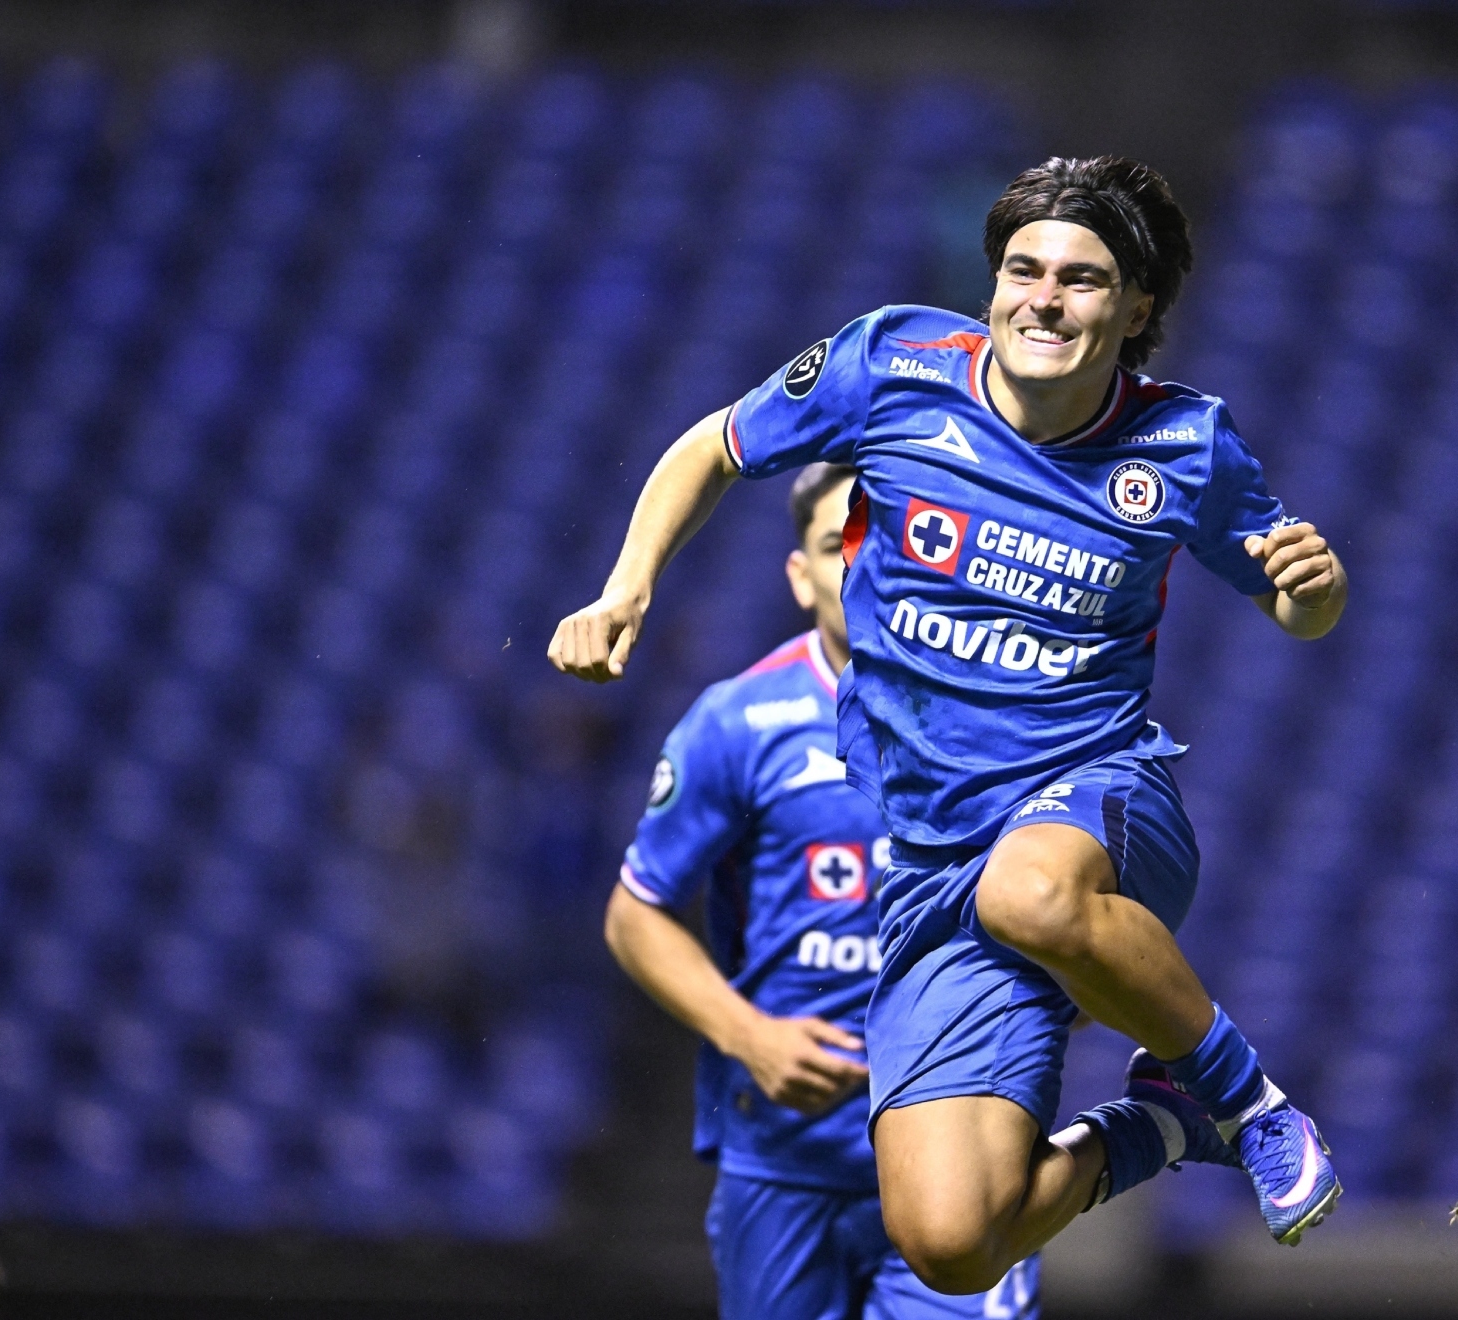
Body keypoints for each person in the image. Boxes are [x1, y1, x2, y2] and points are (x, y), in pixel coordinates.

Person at [554, 156, 1349, 1294]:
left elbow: (1296, 602)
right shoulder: (891, 364)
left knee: (1025, 892)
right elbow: (710, 447)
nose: (1043, 297)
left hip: (1098, 800)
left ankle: (1248, 1101)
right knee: (951, 1240)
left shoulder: (1184, 445)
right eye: (1023, 269)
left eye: (1082, 279)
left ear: (1136, 309)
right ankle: (1167, 1126)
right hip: (932, 859)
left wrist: (1314, 591)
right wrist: (627, 585)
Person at [604, 462, 1039, 1319]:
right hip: (785, 1157)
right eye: (831, 544)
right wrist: (749, 1035)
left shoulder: (1012, 723)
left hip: (962, 1143)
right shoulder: (736, 722)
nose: (859, 560)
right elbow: (634, 913)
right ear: (800, 578)